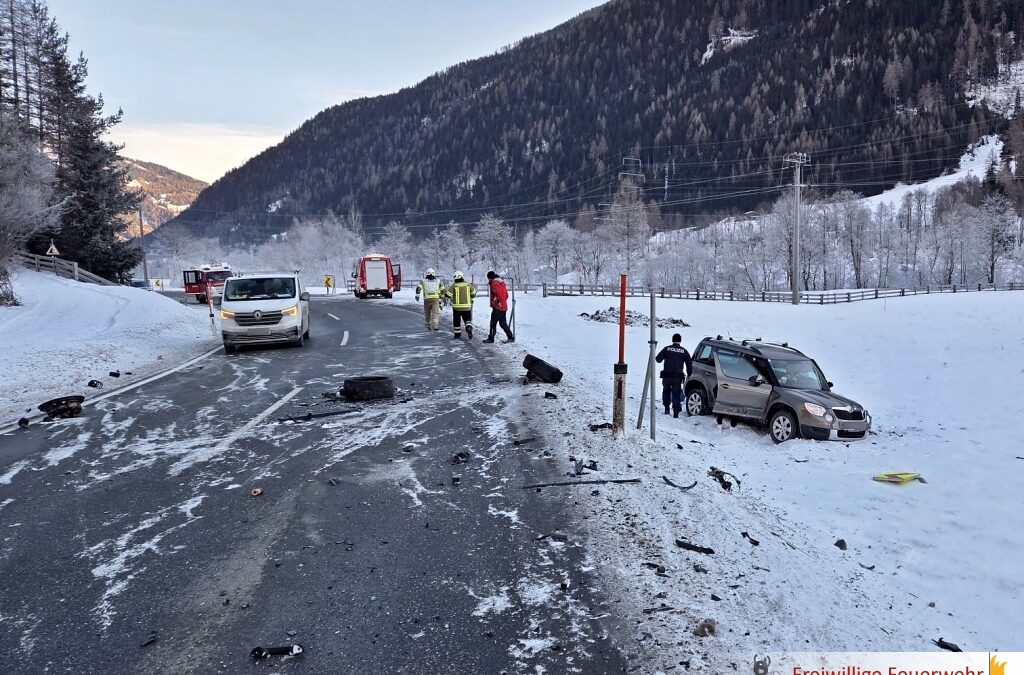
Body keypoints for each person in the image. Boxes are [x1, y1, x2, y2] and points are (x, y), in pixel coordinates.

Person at [656, 333, 692, 418]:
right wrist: (689, 374)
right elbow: (689, 364)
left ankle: (666, 409)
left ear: (672, 340)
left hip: (666, 376)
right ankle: (676, 412)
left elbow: (658, 359)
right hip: (677, 377)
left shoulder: (667, 349)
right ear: (680, 341)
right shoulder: (684, 351)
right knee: (676, 394)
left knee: (666, 391)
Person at [482, 270, 514, 343]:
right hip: (503, 306)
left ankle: (491, 339)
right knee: (503, 323)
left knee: (493, 323)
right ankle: (510, 337)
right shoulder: (501, 283)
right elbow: (506, 295)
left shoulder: (494, 283)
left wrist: (494, 302)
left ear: (490, 278)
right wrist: (502, 302)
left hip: (498, 307)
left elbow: (497, 295)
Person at [447, 271, 476, 339]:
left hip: (456, 308)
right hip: (467, 307)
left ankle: (457, 335)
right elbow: (474, 293)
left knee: (456, 321)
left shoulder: (454, 285)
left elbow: (448, 295)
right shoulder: (468, 285)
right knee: (467, 320)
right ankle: (468, 327)